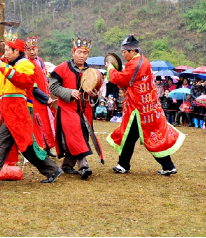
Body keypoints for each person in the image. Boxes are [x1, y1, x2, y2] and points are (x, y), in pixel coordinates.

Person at [0, 32, 63, 188]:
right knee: (22, 146)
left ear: (17, 51)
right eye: (6, 49)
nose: (6, 52)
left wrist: (5, 68)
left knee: (7, 144)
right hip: (10, 113)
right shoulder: (9, 67)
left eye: (8, 50)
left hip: (19, 112)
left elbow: (24, 81)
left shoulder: (25, 65)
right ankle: (52, 170)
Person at [106, 35, 185, 176]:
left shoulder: (135, 64)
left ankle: (125, 165)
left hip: (139, 109)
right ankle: (165, 165)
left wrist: (111, 68)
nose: (123, 54)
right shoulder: (143, 61)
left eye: (124, 52)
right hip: (146, 107)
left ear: (132, 51)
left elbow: (121, 79)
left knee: (141, 137)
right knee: (136, 136)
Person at [50, 37, 103, 180]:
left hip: (84, 111)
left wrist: (94, 96)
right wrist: (69, 92)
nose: (82, 56)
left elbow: (95, 95)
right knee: (76, 135)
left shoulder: (91, 72)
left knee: (81, 136)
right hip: (67, 109)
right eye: (79, 52)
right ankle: (84, 166)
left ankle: (67, 165)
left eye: (85, 53)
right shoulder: (62, 68)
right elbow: (53, 87)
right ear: (73, 53)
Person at [25, 36, 57, 152]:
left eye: (34, 49)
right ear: (25, 51)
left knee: (46, 122)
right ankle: (39, 149)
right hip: (34, 98)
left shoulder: (41, 61)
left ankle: (47, 148)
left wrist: (48, 95)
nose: (32, 52)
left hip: (44, 96)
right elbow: (32, 86)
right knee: (37, 124)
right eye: (29, 49)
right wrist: (44, 98)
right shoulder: (26, 64)